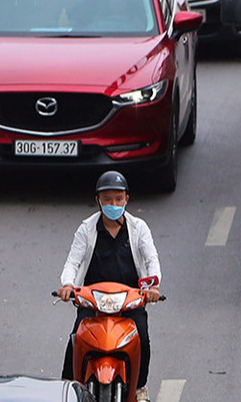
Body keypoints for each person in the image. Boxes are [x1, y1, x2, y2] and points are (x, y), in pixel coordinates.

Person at [59, 172, 162, 402]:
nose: (113, 204)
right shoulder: (86, 229)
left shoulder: (139, 228)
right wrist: (67, 285)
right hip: (93, 301)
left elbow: (151, 259)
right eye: (107, 199)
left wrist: (153, 286)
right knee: (76, 337)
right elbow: (72, 262)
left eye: (118, 199)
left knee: (142, 338)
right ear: (98, 200)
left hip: (130, 301)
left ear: (127, 198)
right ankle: (67, 387)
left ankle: (140, 388)